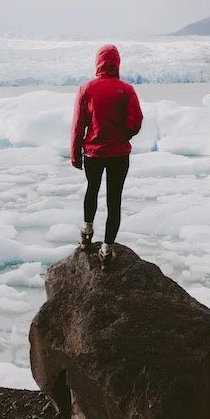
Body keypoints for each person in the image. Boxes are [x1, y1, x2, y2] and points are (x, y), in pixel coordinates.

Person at [70, 44, 143, 265]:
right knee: (114, 199)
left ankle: (86, 233)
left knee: (91, 190)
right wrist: (123, 135)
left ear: (98, 63)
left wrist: (75, 153)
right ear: (117, 63)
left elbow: (78, 124)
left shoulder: (86, 89)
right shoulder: (127, 90)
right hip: (119, 154)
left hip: (93, 153)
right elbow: (136, 121)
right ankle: (107, 250)